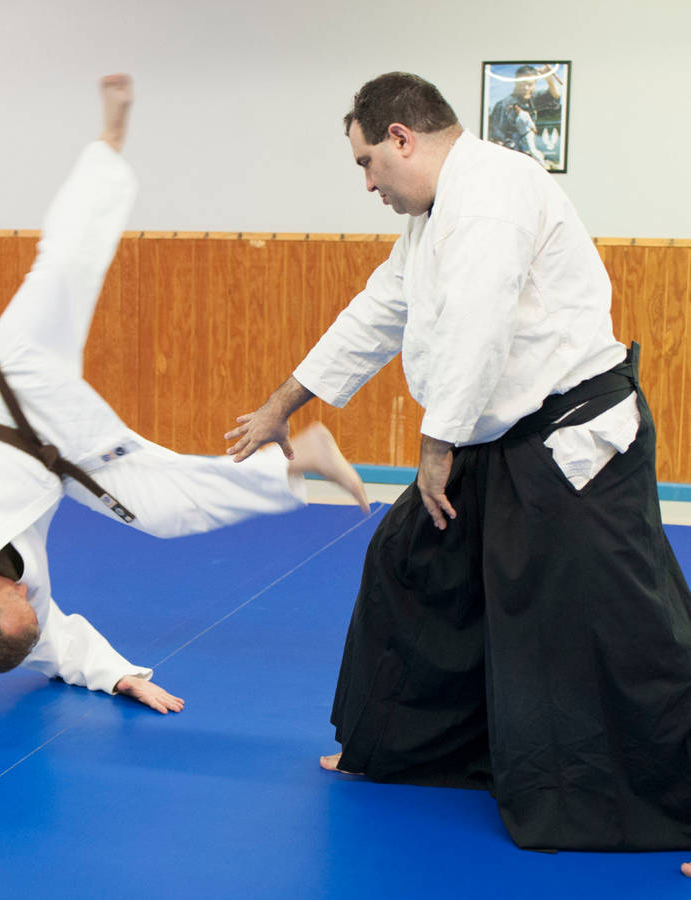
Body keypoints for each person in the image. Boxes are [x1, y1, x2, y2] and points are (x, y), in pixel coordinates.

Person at [226, 71, 691, 856]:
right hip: (496, 434)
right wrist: (283, 404)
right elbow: (378, 312)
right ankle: (407, 750)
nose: (368, 184)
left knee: (627, 628)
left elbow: (480, 324)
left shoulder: (493, 191)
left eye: (368, 163)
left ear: (401, 138)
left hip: (574, 442)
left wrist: (437, 445)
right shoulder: (434, 214)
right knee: (414, 563)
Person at [0, 74, 368, 716]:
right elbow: (55, 646)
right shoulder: (19, 613)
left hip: (0, 392)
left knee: (62, 268)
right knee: (162, 509)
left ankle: (108, 143)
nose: (30, 596)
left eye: (15, 600)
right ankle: (298, 462)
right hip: (61, 453)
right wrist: (121, 677)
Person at [487, 64, 562, 168]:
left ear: (535, 84)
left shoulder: (532, 99)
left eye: (530, 84)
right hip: (510, 161)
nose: (526, 88)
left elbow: (556, 96)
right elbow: (496, 139)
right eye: (522, 84)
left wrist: (548, 78)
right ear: (516, 82)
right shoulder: (502, 106)